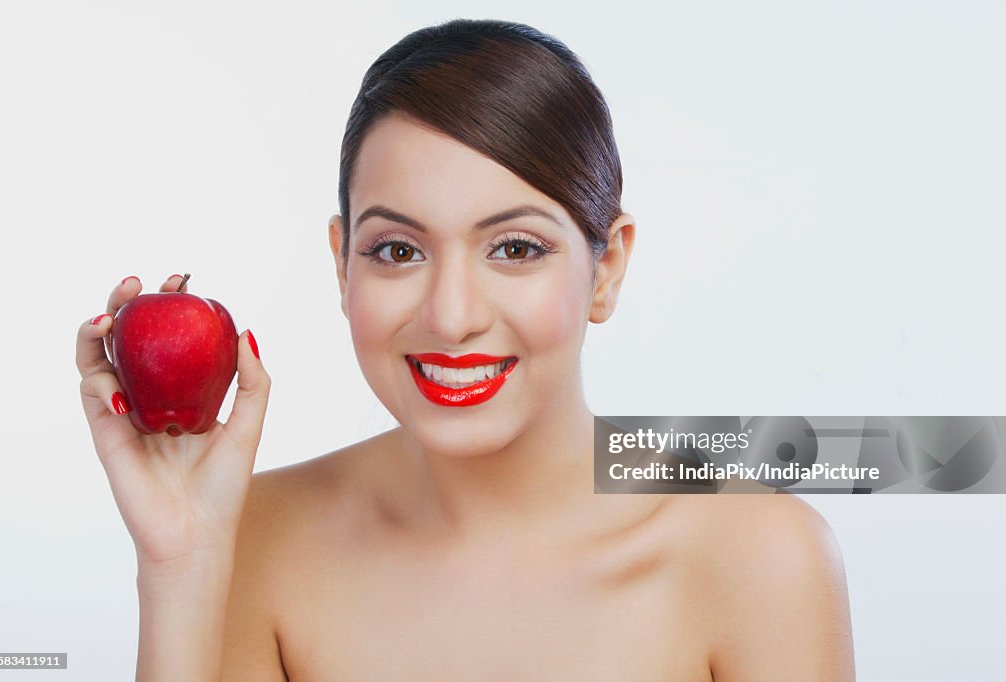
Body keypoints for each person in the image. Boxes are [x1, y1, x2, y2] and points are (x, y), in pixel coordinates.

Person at [76, 18, 855, 681]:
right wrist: (180, 571)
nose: (451, 318)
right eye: (398, 251)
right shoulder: (255, 539)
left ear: (606, 268)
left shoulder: (761, 557)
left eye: (515, 249)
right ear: (341, 263)